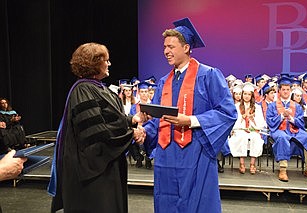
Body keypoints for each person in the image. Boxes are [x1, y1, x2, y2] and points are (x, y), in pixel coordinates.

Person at [140, 18, 237, 213]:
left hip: (195, 152)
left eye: (171, 46)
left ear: (186, 47)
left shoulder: (209, 75)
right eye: (164, 47)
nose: (166, 51)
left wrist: (191, 120)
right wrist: (144, 131)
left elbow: (228, 113)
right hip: (166, 155)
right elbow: (160, 119)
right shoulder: (163, 82)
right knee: (167, 200)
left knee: (195, 202)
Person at [47, 42, 147, 213]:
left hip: (107, 167)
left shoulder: (100, 88)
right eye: (105, 60)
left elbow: (111, 118)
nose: (109, 64)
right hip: (94, 173)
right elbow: (96, 132)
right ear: (93, 63)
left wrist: (132, 120)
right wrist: (132, 134)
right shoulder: (83, 90)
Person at [266, 77, 307, 182]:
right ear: (279, 91)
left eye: (288, 89)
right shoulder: (273, 106)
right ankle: (283, 169)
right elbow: (270, 122)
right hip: (279, 130)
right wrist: (282, 116)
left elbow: (301, 123)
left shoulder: (297, 106)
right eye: (283, 89)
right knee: (282, 137)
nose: (286, 92)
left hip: (294, 130)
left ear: (290, 91)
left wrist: (291, 118)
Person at [228, 82, 265, 174]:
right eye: (245, 94)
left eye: (249, 94)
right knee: (242, 138)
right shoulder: (236, 107)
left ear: (252, 95)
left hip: (252, 130)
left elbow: (261, 123)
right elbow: (233, 121)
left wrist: (252, 120)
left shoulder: (257, 107)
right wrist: (243, 118)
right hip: (240, 130)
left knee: (256, 138)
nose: (246, 96)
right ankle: (242, 164)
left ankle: (252, 164)